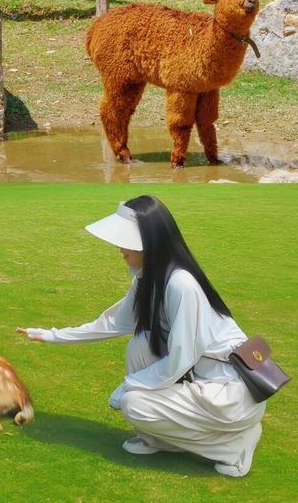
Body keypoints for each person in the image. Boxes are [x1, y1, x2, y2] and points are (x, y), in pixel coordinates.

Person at [17, 196, 265, 478]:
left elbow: (182, 357)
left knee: (134, 405)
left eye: (126, 241)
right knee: (141, 344)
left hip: (230, 395)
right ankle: (158, 438)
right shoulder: (148, 278)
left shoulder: (181, 284)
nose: (120, 249)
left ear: (149, 242)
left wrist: (128, 386)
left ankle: (234, 445)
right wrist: (51, 335)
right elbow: (112, 323)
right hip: (203, 380)